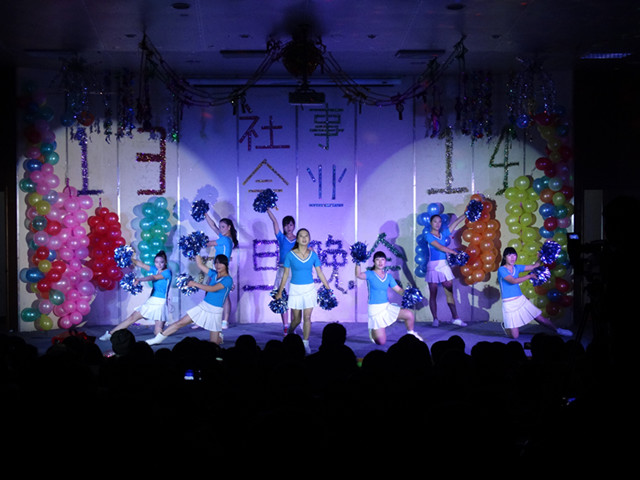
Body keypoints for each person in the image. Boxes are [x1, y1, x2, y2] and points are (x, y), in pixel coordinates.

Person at [146, 254, 233, 346]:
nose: (218, 265)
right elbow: (200, 264)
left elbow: (212, 289)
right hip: (203, 306)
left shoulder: (228, 280)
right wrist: (195, 250)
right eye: (216, 263)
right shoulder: (214, 274)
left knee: (213, 344)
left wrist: (194, 284)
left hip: (215, 311)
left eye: (221, 263)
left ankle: (219, 337)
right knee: (180, 323)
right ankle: (157, 339)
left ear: (226, 264)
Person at [274, 228, 332, 354]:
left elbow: (320, 272)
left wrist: (328, 287)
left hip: (309, 289)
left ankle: (305, 344)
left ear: (309, 239)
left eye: (306, 236)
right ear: (297, 239)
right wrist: (279, 291)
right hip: (295, 289)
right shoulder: (290, 255)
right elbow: (285, 275)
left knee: (307, 317)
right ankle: (290, 335)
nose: (304, 238)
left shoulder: (313, 255)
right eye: (301, 236)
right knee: (296, 320)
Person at [497, 247, 572, 339]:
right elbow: (513, 281)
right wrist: (529, 276)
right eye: (509, 255)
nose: (512, 257)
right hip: (508, 303)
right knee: (515, 336)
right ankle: (506, 326)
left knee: (540, 318)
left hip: (520, 299)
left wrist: (541, 257)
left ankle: (558, 330)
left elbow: (534, 266)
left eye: (514, 255)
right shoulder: (501, 269)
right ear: (505, 257)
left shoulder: (517, 267)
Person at [99, 250, 172, 341]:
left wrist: (140, 279)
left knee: (157, 332)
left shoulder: (167, 272)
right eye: (156, 262)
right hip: (153, 300)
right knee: (133, 318)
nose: (159, 264)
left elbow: (153, 277)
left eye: (161, 262)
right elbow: (141, 264)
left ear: (165, 262)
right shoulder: (155, 269)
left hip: (160, 302)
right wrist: (128, 258)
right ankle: (110, 334)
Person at [356, 251, 423, 345]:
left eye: (382, 259)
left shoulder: (388, 277)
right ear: (374, 262)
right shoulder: (370, 274)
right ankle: (372, 330)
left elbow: (399, 290)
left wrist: (410, 294)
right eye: (377, 260)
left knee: (409, 315)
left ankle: (411, 334)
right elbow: (358, 275)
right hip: (375, 309)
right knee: (381, 342)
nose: (380, 262)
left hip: (386, 307)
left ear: (385, 261)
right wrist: (358, 261)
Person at [425, 213, 467, 327]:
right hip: (433, 266)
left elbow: (455, 223)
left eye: (439, 221)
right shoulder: (428, 235)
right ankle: (435, 319)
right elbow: (440, 247)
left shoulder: (443, 234)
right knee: (433, 293)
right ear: (431, 223)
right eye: (435, 221)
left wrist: (465, 214)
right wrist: (453, 252)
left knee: (449, 293)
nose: (437, 224)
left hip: (444, 266)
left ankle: (455, 318)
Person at [204, 213, 238, 329]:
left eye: (223, 227)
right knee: (211, 293)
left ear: (229, 227)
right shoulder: (224, 237)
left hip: (223, 270)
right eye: (220, 227)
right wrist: (205, 214)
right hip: (217, 268)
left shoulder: (225, 239)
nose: (220, 229)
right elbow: (213, 226)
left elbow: (208, 244)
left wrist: (194, 242)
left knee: (224, 295)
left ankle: (225, 321)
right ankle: (211, 319)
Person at [266, 208, 296, 334]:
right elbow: (274, 221)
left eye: (291, 225)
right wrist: (267, 209)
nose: (289, 227)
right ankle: (285, 326)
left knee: (294, 300)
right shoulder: (281, 238)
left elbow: (309, 250)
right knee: (282, 299)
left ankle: (293, 327)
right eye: (286, 225)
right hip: (282, 271)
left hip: (295, 272)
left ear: (294, 226)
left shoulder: (299, 239)